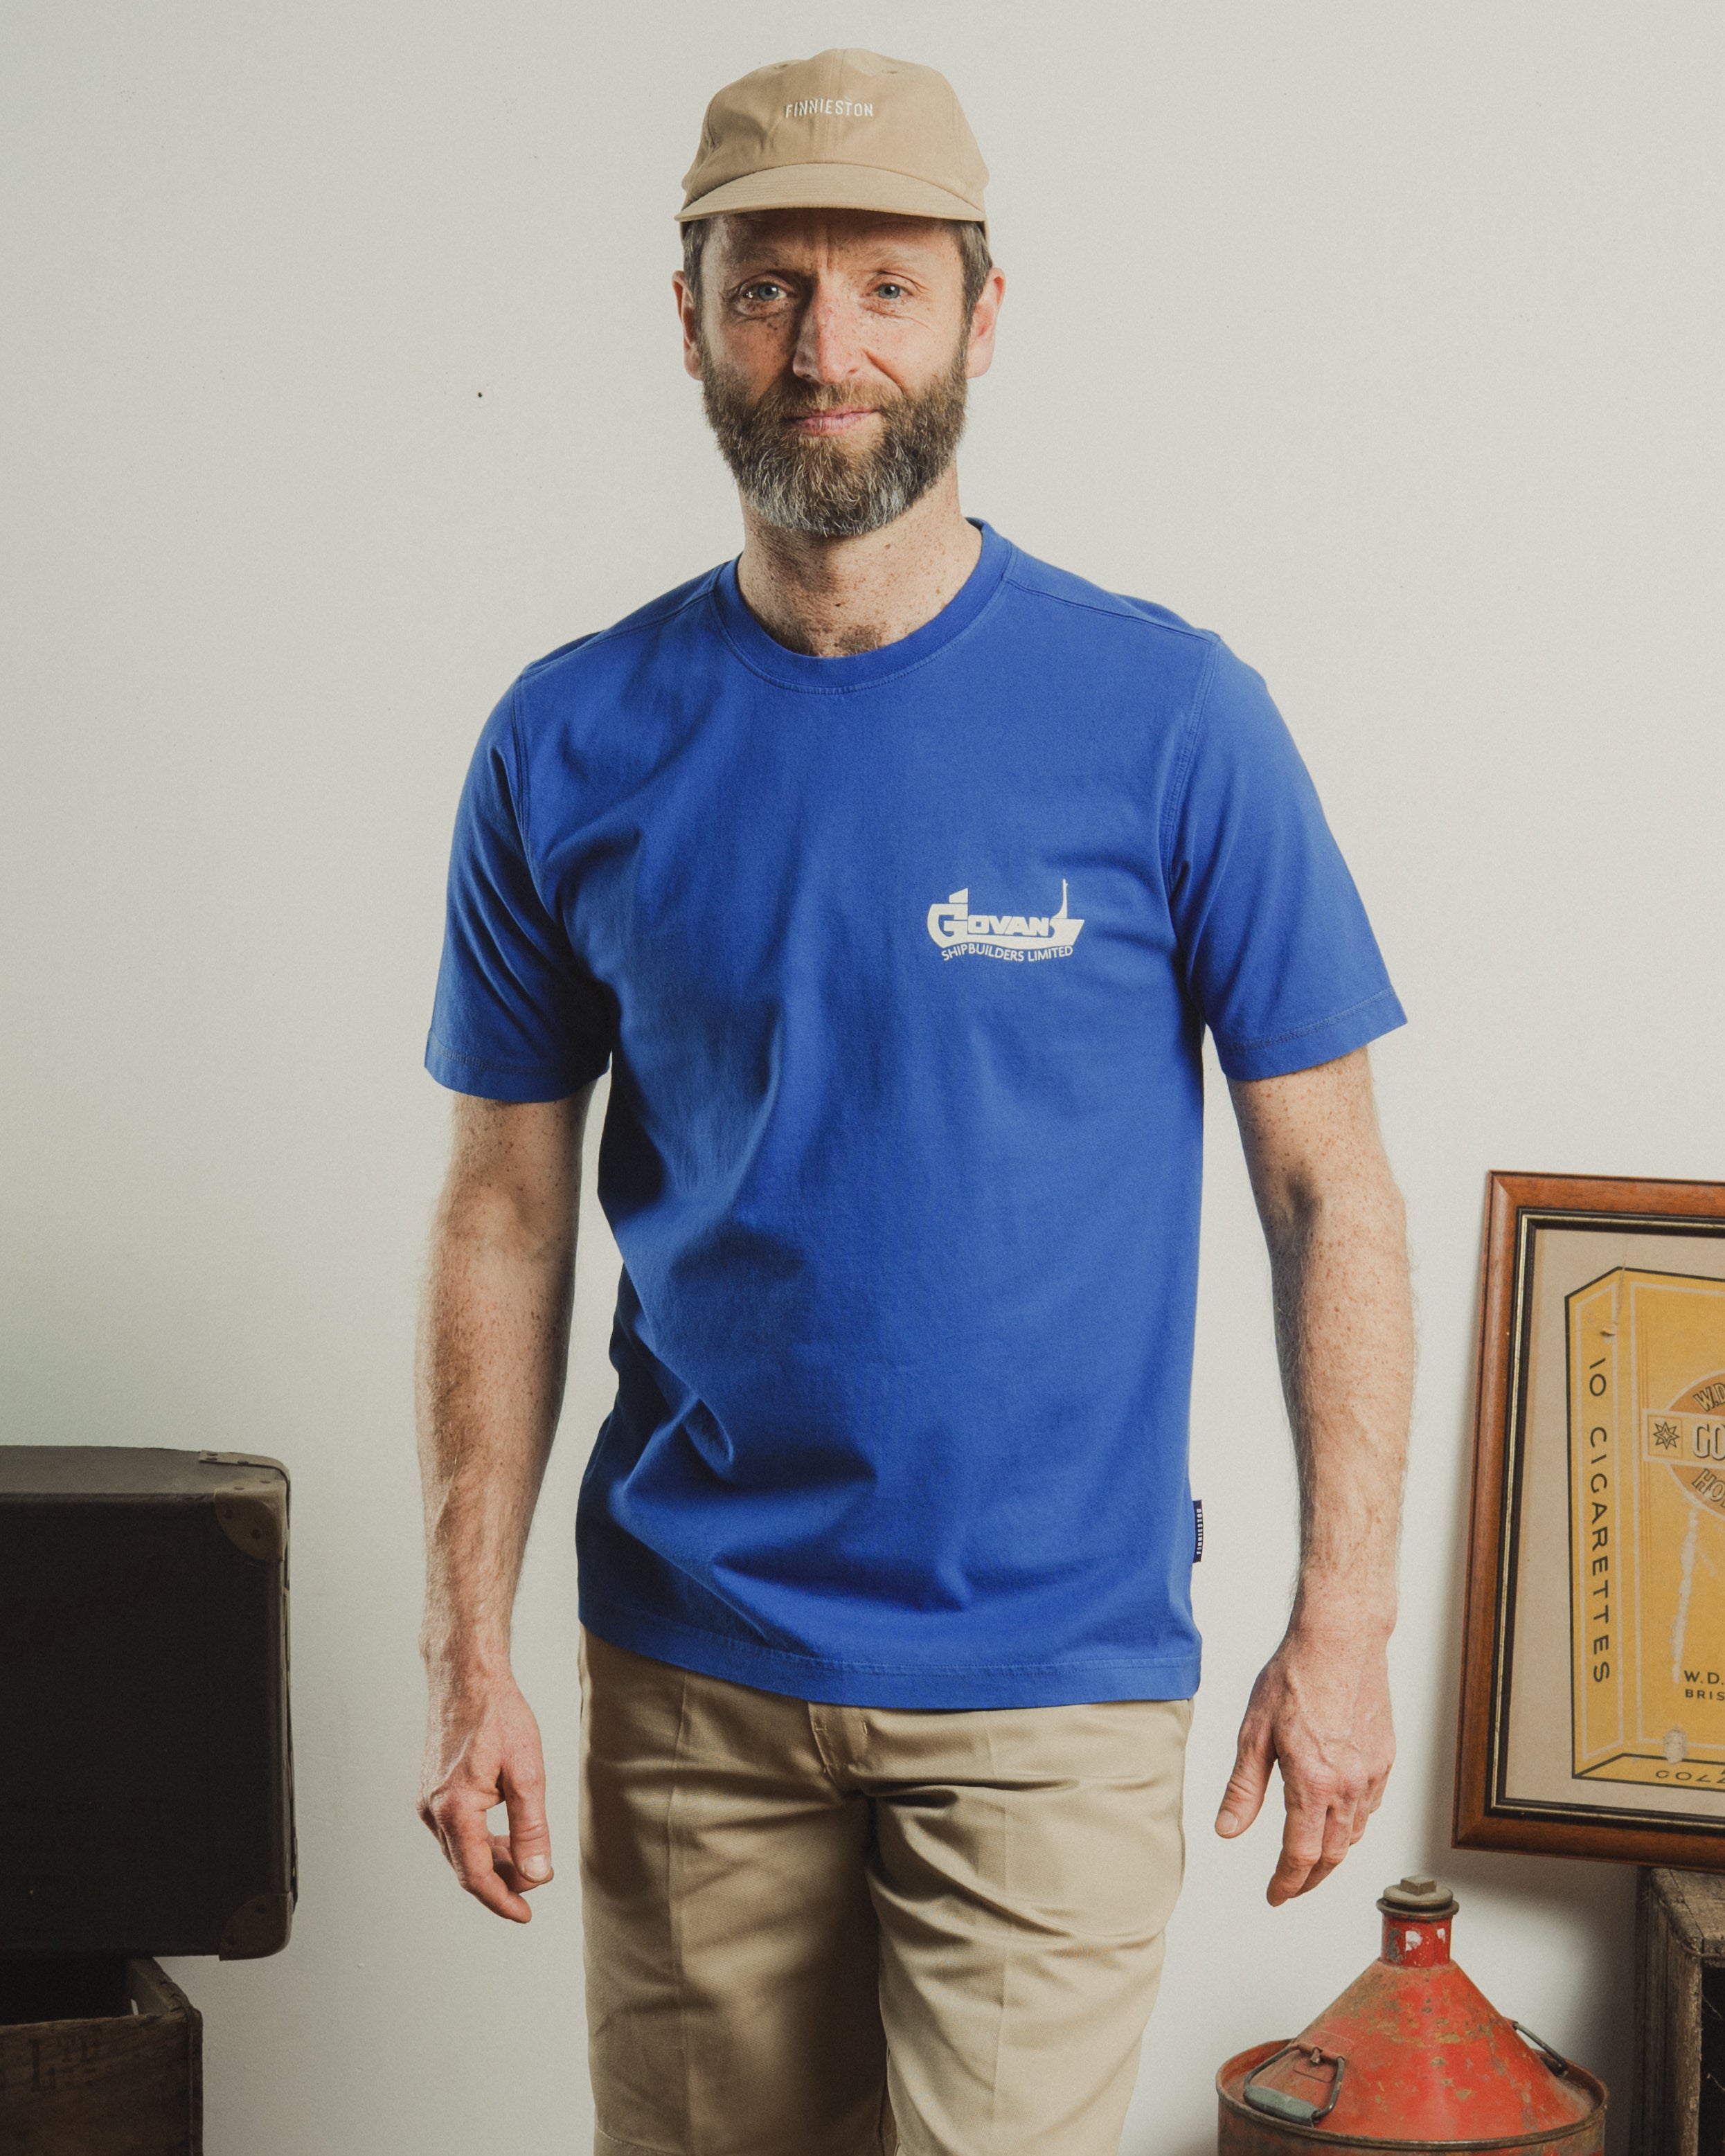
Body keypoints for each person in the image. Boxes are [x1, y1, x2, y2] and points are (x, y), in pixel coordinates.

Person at [415, 46, 1414, 2156]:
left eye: (882, 284)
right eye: (768, 284)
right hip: (690, 1678)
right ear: (684, 317)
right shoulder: (568, 738)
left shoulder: (1168, 720)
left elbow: (1327, 1186)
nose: (822, 346)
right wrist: (463, 1651)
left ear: (979, 312)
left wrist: (1342, 1627)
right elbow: (500, 1209)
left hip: (1048, 1687)